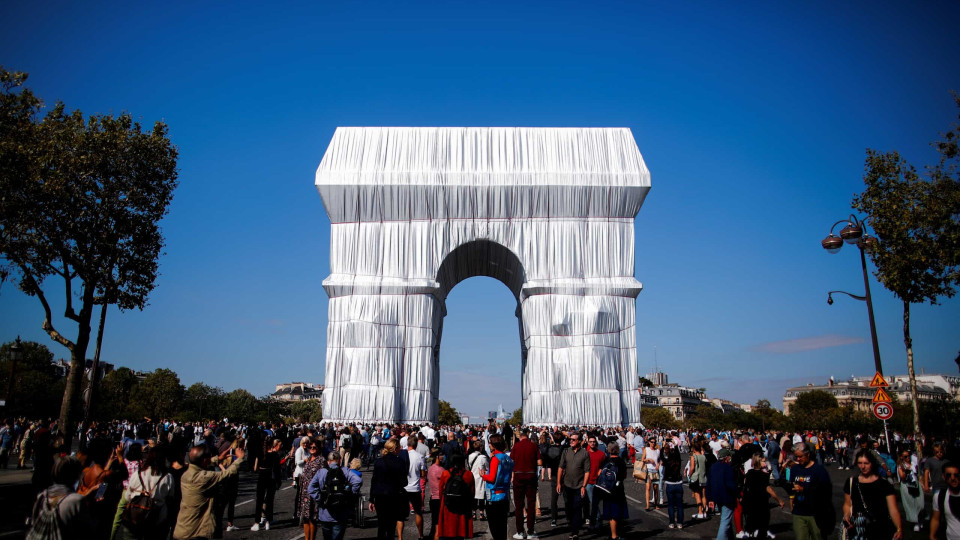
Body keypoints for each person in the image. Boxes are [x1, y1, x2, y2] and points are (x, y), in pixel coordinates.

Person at [172, 444, 245, 540]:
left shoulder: (186, 473)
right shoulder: (203, 477)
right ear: (204, 460)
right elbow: (227, 474)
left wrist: (217, 458)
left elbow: (198, 463)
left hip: (182, 528)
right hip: (196, 532)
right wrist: (239, 459)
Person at [841, 448, 903, 540]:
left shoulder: (884, 484)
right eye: (859, 463)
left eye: (866, 463)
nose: (862, 467)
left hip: (881, 529)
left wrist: (899, 529)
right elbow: (847, 504)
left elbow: (893, 509)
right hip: (859, 530)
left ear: (872, 463)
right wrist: (847, 514)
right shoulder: (851, 482)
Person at [27, 456, 94, 538]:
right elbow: (85, 532)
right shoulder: (77, 500)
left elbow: (34, 522)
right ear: (76, 474)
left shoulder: (43, 496)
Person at [117, 446, 175, 540]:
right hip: (157, 519)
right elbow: (170, 498)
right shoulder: (168, 477)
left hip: (135, 518)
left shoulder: (138, 474)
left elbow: (128, 497)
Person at [309, 451, 363, 540]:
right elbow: (358, 481)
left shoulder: (321, 472)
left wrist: (320, 498)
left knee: (327, 537)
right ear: (340, 460)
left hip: (325, 511)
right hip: (341, 511)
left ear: (328, 461)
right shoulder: (345, 471)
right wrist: (349, 494)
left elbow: (310, 488)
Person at [790, 442, 832, 540]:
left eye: (800, 456)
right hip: (799, 512)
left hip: (815, 512)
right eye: (796, 457)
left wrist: (804, 489)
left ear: (808, 454)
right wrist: (791, 500)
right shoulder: (795, 469)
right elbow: (792, 487)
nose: (798, 459)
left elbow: (825, 491)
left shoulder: (819, 470)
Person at [369, 440, 407, 540]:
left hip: (380, 495)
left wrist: (371, 499)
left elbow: (374, 480)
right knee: (391, 526)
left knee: (381, 524)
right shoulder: (400, 462)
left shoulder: (379, 461)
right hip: (393, 496)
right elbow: (404, 482)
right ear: (395, 449)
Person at [743, 452, 785, 540]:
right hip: (761, 502)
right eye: (763, 461)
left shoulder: (749, 473)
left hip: (751, 502)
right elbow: (768, 489)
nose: (765, 463)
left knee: (751, 524)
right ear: (758, 462)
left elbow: (746, 485)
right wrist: (779, 500)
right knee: (763, 524)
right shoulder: (763, 476)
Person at [556, 432, 590, 539]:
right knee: (569, 507)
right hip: (567, 484)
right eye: (570, 439)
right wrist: (558, 483)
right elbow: (560, 468)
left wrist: (584, 486)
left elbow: (587, 471)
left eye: (573, 440)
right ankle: (573, 523)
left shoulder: (585, 453)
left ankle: (575, 531)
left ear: (579, 441)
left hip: (579, 485)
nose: (571, 441)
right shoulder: (566, 451)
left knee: (577, 507)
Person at [480, 434, 513, 540]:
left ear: (494, 445)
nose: (489, 445)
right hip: (504, 494)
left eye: (490, 443)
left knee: (495, 528)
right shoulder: (507, 458)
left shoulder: (495, 459)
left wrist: (483, 475)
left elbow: (492, 478)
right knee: (502, 527)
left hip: (494, 496)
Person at [511, 428, 541, 540]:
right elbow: (540, 461)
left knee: (519, 505)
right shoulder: (534, 446)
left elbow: (512, 461)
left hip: (518, 476)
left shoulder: (516, 447)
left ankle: (519, 531)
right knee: (531, 504)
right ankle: (530, 531)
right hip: (531, 476)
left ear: (520, 437)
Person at [436, 454, 475, 540]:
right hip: (462, 507)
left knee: (447, 531)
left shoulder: (445, 474)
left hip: (448, 506)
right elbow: (472, 492)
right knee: (460, 532)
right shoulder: (468, 474)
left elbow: (440, 492)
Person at [251, 438, 282, 531]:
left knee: (259, 500)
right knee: (269, 500)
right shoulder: (275, 455)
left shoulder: (261, 454)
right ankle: (268, 522)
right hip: (271, 477)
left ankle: (257, 522)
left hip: (262, 475)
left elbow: (255, 468)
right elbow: (278, 469)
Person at [708, 448, 738, 540]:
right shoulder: (728, 468)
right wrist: (738, 495)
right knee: (725, 521)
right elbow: (731, 484)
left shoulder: (713, 466)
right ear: (726, 457)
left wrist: (710, 498)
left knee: (726, 520)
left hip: (717, 497)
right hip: (727, 497)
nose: (730, 458)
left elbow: (709, 483)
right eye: (729, 456)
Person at [601, 442, 629, 540]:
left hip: (608, 489)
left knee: (611, 514)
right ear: (617, 450)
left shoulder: (606, 461)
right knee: (618, 513)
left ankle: (613, 534)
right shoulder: (621, 461)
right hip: (618, 489)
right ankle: (615, 535)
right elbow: (624, 475)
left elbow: (600, 473)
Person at [299, 437, 324, 540]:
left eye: (315, 447)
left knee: (312, 519)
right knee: (305, 518)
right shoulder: (308, 459)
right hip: (305, 492)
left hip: (314, 493)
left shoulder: (321, 460)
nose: (312, 448)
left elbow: (323, 477)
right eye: (311, 447)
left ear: (318, 448)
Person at [929, 461, 960, 540]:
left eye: (956, 475)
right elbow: (935, 519)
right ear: (943, 476)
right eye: (948, 475)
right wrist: (932, 536)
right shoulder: (940, 496)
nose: (953, 478)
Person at [405, 435, 428, 540]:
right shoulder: (420, 456)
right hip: (415, 487)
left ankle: (400, 536)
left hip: (404, 487)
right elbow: (423, 473)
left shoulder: (403, 455)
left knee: (399, 515)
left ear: (407, 444)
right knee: (418, 512)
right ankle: (420, 535)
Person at [897, 448, 924, 532]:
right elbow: (902, 477)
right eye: (905, 457)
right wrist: (906, 471)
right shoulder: (900, 466)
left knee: (920, 502)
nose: (908, 458)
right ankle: (915, 522)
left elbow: (919, 474)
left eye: (908, 456)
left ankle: (920, 518)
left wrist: (922, 483)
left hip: (916, 484)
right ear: (901, 457)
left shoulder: (913, 463)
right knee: (910, 504)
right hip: (906, 486)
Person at [583, 435, 606, 530]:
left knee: (594, 502)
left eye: (594, 441)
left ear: (595, 442)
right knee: (590, 501)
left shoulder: (601, 454)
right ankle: (595, 519)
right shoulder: (585, 454)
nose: (592, 443)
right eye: (590, 441)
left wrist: (601, 469)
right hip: (588, 481)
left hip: (597, 481)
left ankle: (596, 519)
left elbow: (605, 465)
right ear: (588, 443)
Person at [662, 441, 685, 529]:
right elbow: (678, 454)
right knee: (679, 505)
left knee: (671, 505)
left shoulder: (666, 461)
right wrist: (675, 445)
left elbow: (661, 455)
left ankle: (672, 522)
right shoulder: (678, 461)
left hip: (670, 483)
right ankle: (680, 523)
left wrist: (664, 446)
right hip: (678, 483)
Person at [467, 440, 489, 521]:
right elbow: (487, 467)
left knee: (474, 496)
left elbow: (469, 466)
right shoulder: (483, 457)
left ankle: (473, 513)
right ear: (480, 447)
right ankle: (481, 513)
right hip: (480, 477)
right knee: (481, 497)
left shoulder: (470, 456)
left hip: (473, 477)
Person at [427, 451, 445, 540]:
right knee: (439, 525)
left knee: (435, 523)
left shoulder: (430, 468)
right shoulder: (440, 470)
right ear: (437, 456)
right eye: (441, 455)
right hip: (439, 498)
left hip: (433, 497)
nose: (443, 456)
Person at [689, 439, 708, 519]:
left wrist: (689, 474)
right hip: (703, 477)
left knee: (697, 495)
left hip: (696, 477)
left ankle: (700, 511)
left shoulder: (693, 457)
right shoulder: (703, 457)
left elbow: (692, 467)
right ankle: (704, 511)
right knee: (704, 495)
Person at [641, 438, 661, 511]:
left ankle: (656, 504)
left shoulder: (657, 451)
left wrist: (658, 464)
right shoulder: (646, 449)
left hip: (655, 471)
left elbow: (659, 459)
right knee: (648, 488)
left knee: (655, 489)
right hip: (649, 470)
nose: (653, 444)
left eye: (654, 442)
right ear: (649, 442)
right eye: (652, 442)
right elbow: (642, 459)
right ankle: (647, 505)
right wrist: (648, 459)